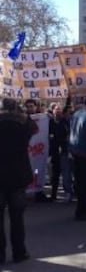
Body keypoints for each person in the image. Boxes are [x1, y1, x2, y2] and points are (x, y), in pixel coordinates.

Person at [0, 98, 38, 263]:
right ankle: (19, 252)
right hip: (18, 175)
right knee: (17, 217)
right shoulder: (23, 123)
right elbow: (34, 129)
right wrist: (23, 115)